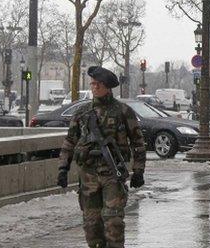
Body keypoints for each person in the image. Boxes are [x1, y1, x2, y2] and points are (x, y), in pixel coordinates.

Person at [57, 66, 147, 248]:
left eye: (98, 84)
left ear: (107, 87)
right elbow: (70, 142)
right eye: (93, 84)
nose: (94, 87)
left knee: (113, 220)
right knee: (92, 224)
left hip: (112, 174)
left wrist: (139, 171)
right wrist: (62, 168)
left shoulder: (123, 112)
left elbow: (138, 143)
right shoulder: (82, 112)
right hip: (88, 174)